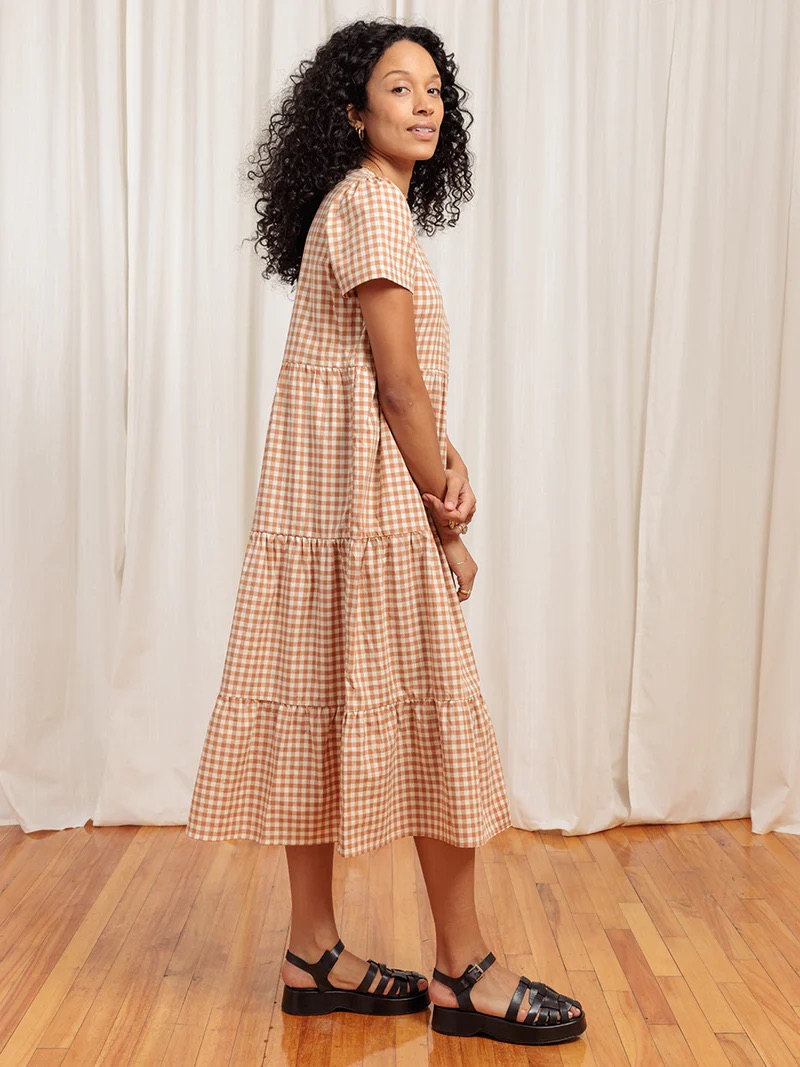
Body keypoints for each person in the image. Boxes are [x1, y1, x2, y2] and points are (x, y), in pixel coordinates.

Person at [186, 16, 587, 1047]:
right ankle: (464, 968)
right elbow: (397, 384)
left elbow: (383, 387)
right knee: (431, 717)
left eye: (434, 91)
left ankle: (312, 952)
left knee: (323, 703)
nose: (422, 105)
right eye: (397, 88)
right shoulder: (370, 207)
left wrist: (438, 462)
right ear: (354, 111)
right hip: (358, 512)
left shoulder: (357, 205)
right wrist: (443, 503)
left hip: (327, 508)